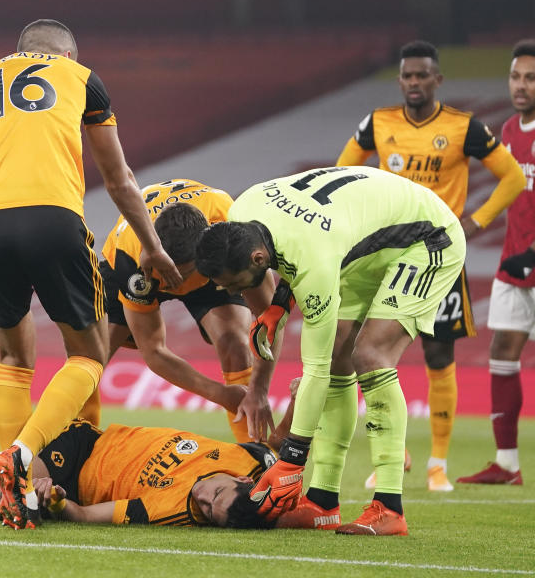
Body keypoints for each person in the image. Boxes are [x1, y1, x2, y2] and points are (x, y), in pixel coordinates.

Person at [0, 19, 181, 529]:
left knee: (12, 357)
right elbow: (118, 179)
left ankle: (14, 489)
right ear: (67, 54)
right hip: (54, 221)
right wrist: (153, 245)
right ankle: (28, 456)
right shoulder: (81, 78)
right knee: (90, 355)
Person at [194, 166, 466, 536]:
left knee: (369, 355)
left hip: (426, 239)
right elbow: (290, 248)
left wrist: (292, 459)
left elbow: (314, 370)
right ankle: (322, 503)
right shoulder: (243, 213)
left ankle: (390, 507)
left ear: (257, 260)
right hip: (359, 244)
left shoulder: (313, 261)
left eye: (235, 284)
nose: (234, 293)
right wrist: (278, 303)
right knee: (340, 359)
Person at [335, 41, 526, 492]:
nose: (414, 83)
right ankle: (393, 452)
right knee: (365, 351)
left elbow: (514, 176)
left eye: (423, 76)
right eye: (407, 76)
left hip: (437, 257)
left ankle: (437, 463)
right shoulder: (378, 124)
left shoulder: (464, 128)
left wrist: (474, 222)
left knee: (440, 357)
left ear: (437, 80)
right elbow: (341, 173)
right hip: (384, 256)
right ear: (400, 80)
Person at [0, 419, 278, 529]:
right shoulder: (252, 463)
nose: (201, 499)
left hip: (68, 483)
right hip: (82, 443)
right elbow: (289, 457)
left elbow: (81, 513)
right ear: (240, 481)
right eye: (214, 493)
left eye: (207, 511)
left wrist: (57, 500)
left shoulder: (167, 511)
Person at [87, 180, 277, 442]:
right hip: (141, 270)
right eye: (166, 271)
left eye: (180, 274)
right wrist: (220, 394)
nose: (171, 282)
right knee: (89, 361)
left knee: (235, 342)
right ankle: (70, 448)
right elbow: (153, 351)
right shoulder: (130, 259)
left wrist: (258, 390)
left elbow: (270, 318)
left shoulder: (233, 229)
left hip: (203, 264)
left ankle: (256, 456)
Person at [458, 40, 535, 486]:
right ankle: (507, 464)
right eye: (515, 76)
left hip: (531, 258)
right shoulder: (508, 130)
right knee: (503, 354)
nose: (520, 85)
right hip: (514, 262)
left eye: (529, 77)